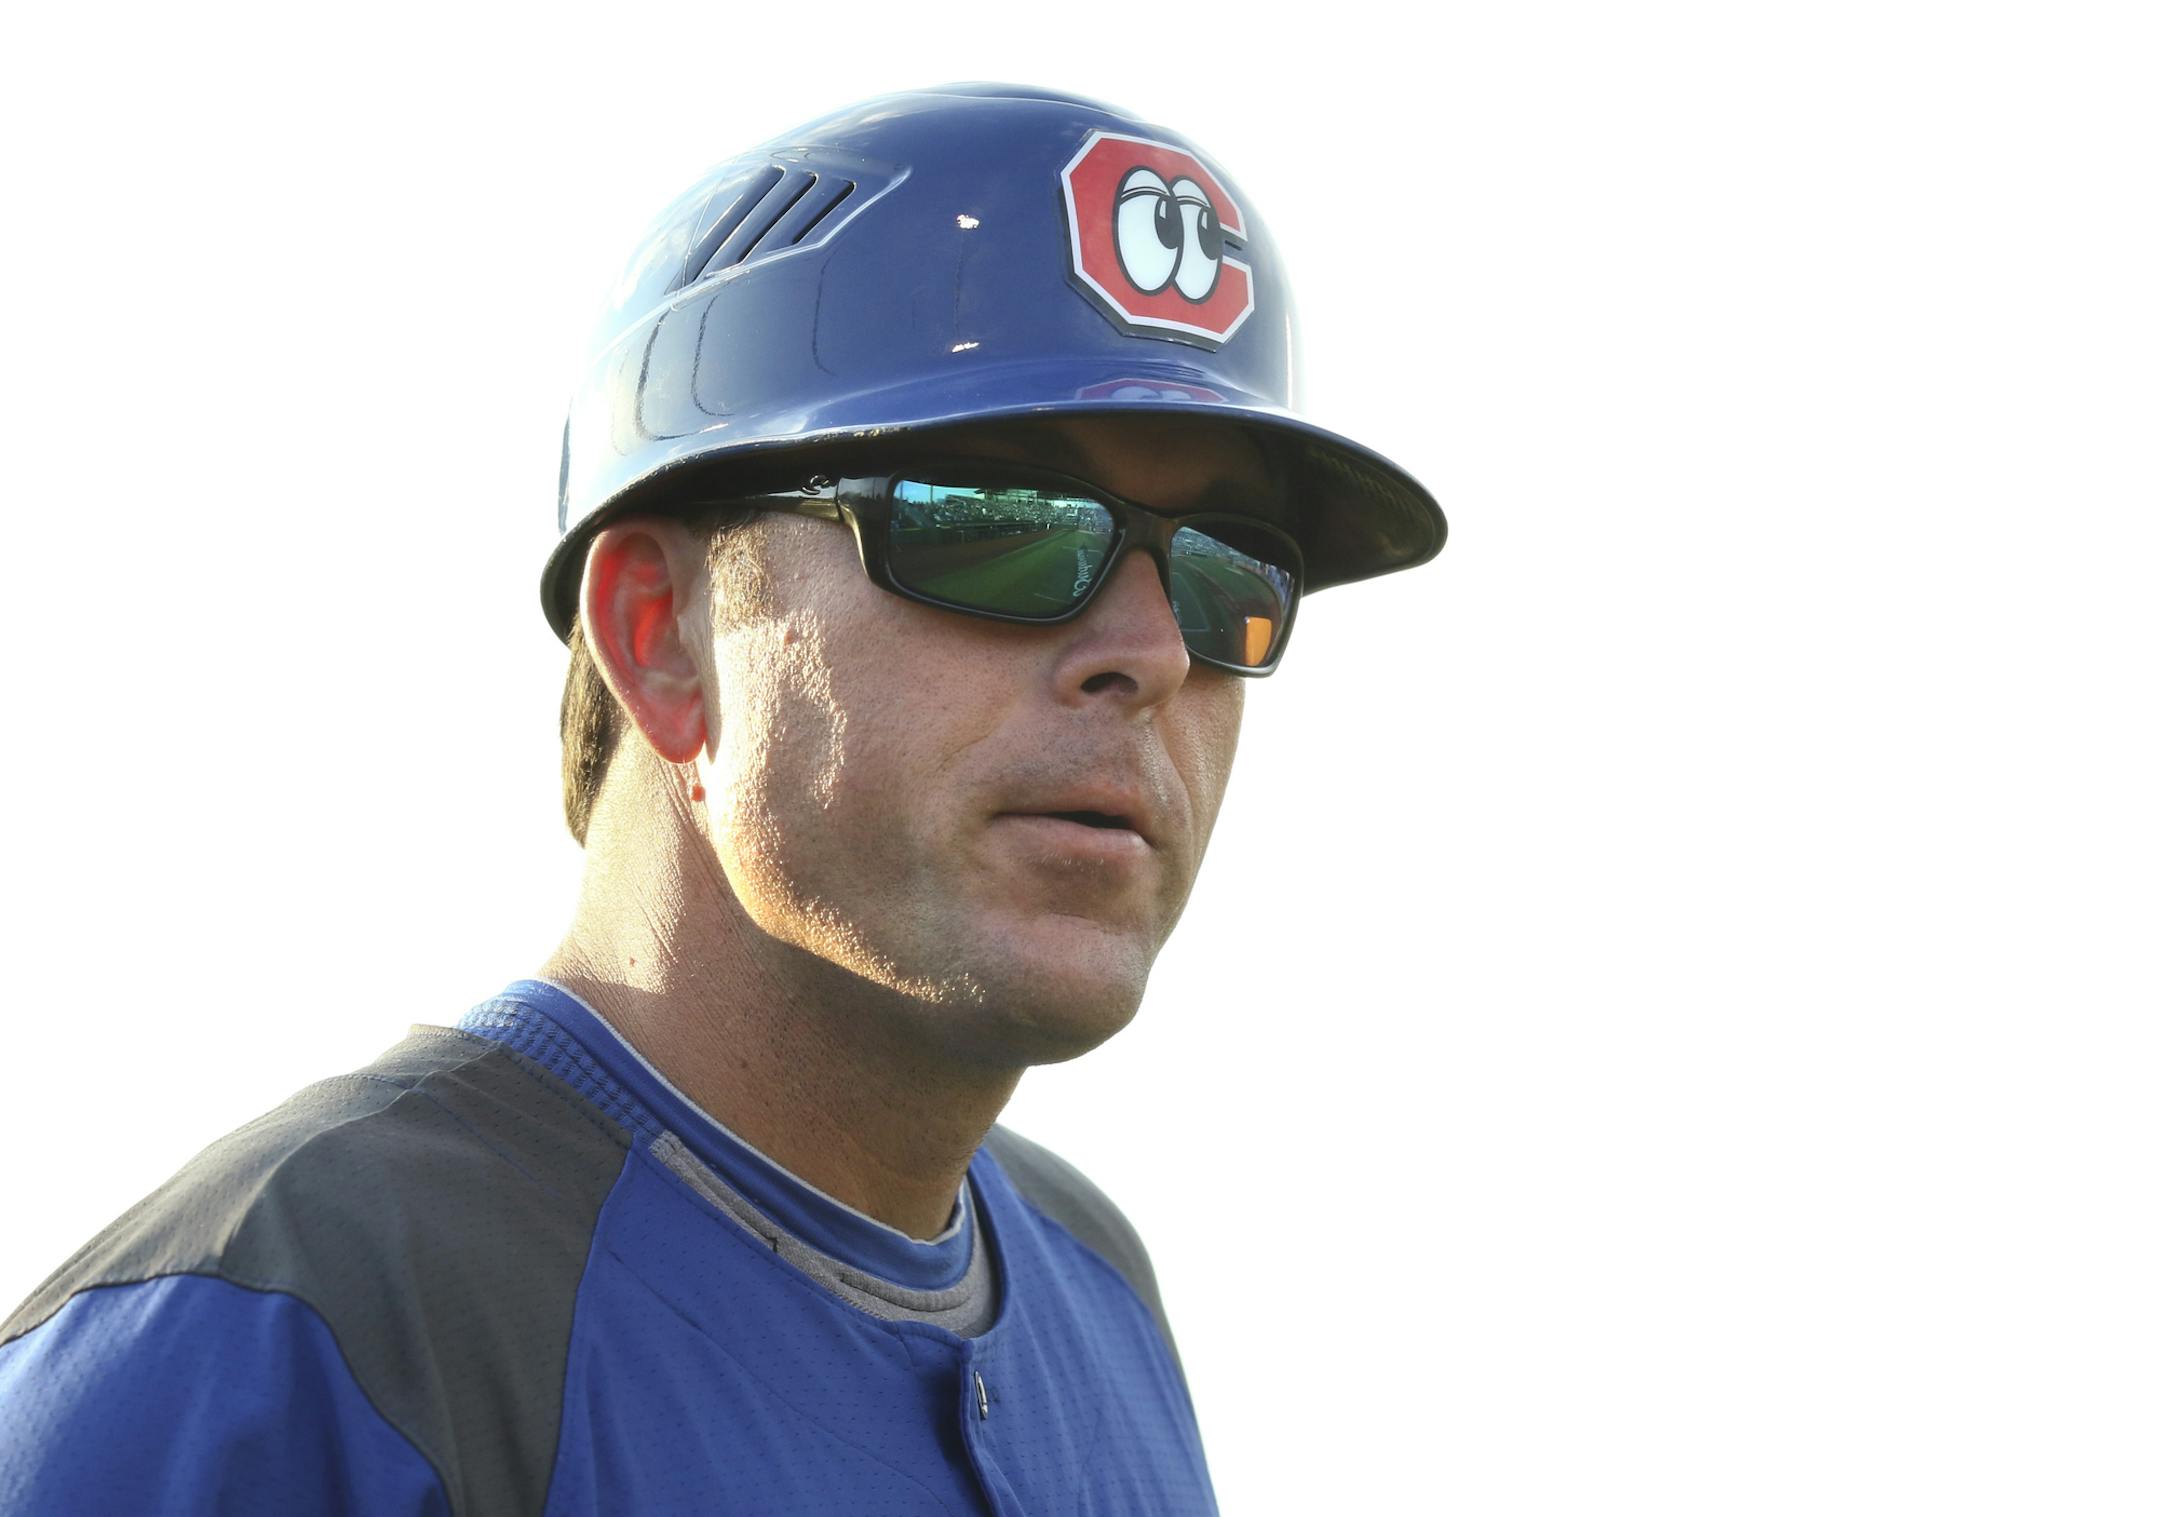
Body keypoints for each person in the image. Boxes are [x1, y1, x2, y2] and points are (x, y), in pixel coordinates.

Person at [0, 83, 1445, 1513]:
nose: (1148, 652)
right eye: (997, 522)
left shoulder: (1101, 1296)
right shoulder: (271, 1345)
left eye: (1230, 572)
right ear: (660, 637)